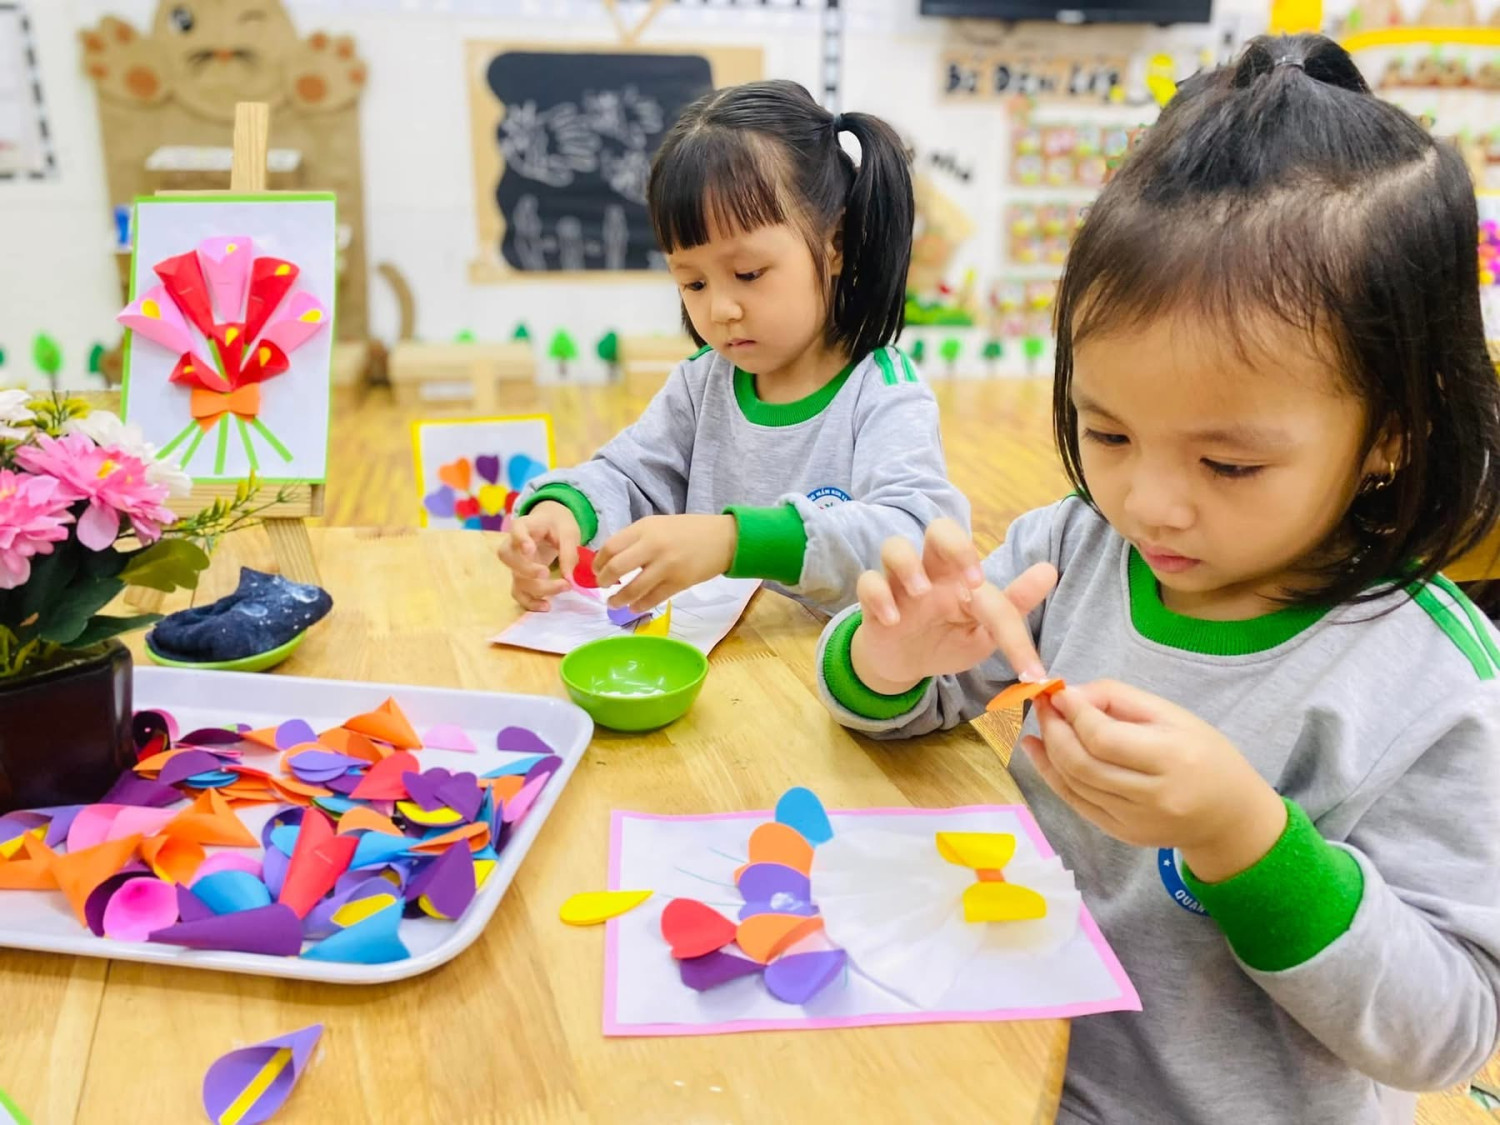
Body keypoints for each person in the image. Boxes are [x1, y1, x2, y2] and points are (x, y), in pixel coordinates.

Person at [815, 35, 1500, 1124]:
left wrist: (1245, 839)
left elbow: (1447, 1033)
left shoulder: (1432, 681)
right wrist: (890, 655)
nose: (1148, 505)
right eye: (1109, 433)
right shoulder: (1071, 552)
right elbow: (895, 704)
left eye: (1228, 464)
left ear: (1393, 432)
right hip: (1011, 1072)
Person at [499, 80, 969, 617]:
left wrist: (734, 541)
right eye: (693, 283)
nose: (721, 309)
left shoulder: (882, 392)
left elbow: (918, 536)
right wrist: (564, 511)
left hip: (831, 665)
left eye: (748, 273)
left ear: (835, 243)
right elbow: (630, 477)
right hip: (714, 658)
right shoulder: (702, 382)